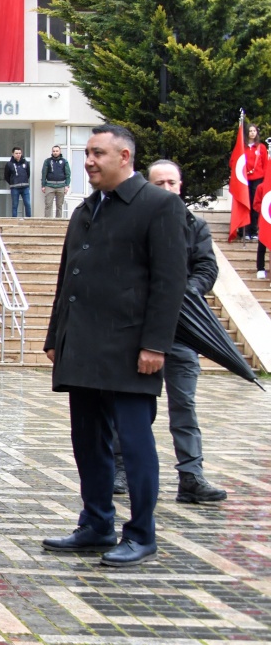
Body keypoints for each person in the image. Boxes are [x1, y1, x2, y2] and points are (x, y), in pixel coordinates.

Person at [41, 125, 186, 568]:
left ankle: (141, 533)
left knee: (135, 444)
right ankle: (97, 523)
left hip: (131, 350)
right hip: (82, 348)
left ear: (125, 157)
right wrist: (55, 337)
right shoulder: (86, 209)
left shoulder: (159, 206)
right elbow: (69, 277)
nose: (88, 161)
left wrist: (156, 344)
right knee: (87, 441)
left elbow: (169, 282)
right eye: (86, 153)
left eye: (97, 153)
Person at [143, 160, 228, 504]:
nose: (166, 189)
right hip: (141, 332)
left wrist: (181, 293)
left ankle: (191, 476)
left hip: (181, 331)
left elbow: (207, 268)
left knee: (185, 406)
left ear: (181, 185)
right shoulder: (137, 223)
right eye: (158, 183)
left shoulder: (195, 225)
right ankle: (121, 469)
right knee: (134, 407)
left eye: (172, 182)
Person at [246, 125, 265, 243]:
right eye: (250, 131)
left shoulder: (261, 147)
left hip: (258, 178)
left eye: (254, 131)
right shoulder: (242, 147)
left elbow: (266, 165)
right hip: (245, 179)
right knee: (246, 204)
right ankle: (245, 230)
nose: (252, 133)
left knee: (255, 204)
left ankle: (253, 230)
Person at [41, 145, 71, 219]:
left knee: (59, 205)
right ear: (52, 152)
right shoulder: (47, 161)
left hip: (61, 186)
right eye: (54, 151)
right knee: (48, 205)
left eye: (57, 151)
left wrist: (67, 185)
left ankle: (58, 222)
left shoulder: (64, 161)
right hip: (49, 186)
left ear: (60, 151)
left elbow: (68, 174)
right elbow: (44, 173)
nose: (55, 152)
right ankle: (47, 222)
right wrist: (43, 185)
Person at [3, 146, 31, 218]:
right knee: (15, 205)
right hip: (14, 188)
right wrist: (12, 182)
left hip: (25, 187)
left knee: (27, 204)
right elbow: (6, 176)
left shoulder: (26, 163)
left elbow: (28, 174)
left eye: (19, 153)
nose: (18, 155)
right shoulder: (9, 164)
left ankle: (29, 219)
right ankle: (14, 220)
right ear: (13, 154)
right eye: (16, 153)